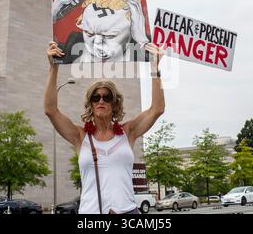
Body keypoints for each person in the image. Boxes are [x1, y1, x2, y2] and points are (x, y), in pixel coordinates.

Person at [44, 41, 165, 214]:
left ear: (114, 104)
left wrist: (155, 68)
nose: (101, 101)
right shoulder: (80, 136)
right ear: (91, 104)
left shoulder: (127, 132)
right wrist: (53, 67)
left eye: (107, 97)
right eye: (96, 97)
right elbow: (50, 110)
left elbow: (157, 109)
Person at [52, 0, 150, 63]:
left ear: (132, 29)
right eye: (89, 33)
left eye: (109, 36)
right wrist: (53, 17)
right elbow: (50, 54)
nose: (97, 44)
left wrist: (142, 41)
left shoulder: (141, 51)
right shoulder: (71, 48)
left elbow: (153, 63)